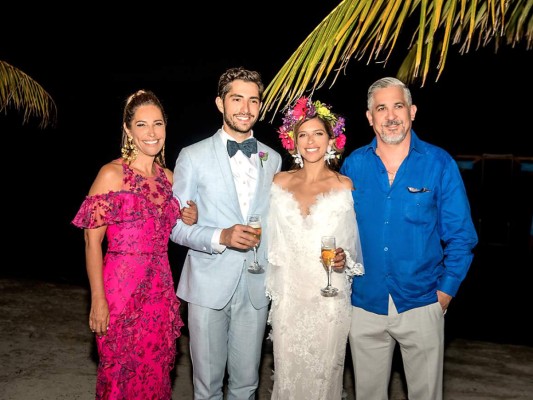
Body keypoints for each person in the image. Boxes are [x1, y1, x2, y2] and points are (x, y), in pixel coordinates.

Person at [340, 77, 478, 400]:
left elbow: (461, 237)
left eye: (398, 106)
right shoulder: (353, 166)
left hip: (422, 303)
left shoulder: (439, 163)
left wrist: (444, 293)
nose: (391, 116)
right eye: (381, 108)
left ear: (412, 111)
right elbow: (339, 230)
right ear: (369, 117)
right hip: (364, 304)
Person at [72, 89, 197, 399]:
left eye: (158, 123)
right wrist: (97, 300)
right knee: (118, 375)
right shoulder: (111, 175)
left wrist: (188, 216)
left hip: (161, 291)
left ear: (166, 126)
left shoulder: (170, 178)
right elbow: (91, 241)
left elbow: (176, 227)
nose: (151, 133)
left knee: (156, 374)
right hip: (120, 291)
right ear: (128, 130)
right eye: (141, 125)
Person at [169, 67, 283, 399]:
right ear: (220, 103)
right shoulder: (193, 156)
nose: (245, 109)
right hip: (207, 286)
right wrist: (221, 236)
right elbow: (176, 227)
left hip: (256, 285)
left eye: (253, 100)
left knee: (247, 385)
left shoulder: (272, 159)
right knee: (207, 386)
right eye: (236, 99)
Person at [265, 96, 364, 399]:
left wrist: (342, 260)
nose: (310, 141)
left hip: (328, 299)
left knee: (324, 378)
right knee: (288, 377)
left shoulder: (343, 185)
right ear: (292, 141)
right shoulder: (278, 182)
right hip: (289, 299)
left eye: (318, 133)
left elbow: (348, 248)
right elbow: (269, 242)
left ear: (331, 139)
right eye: (303, 134)